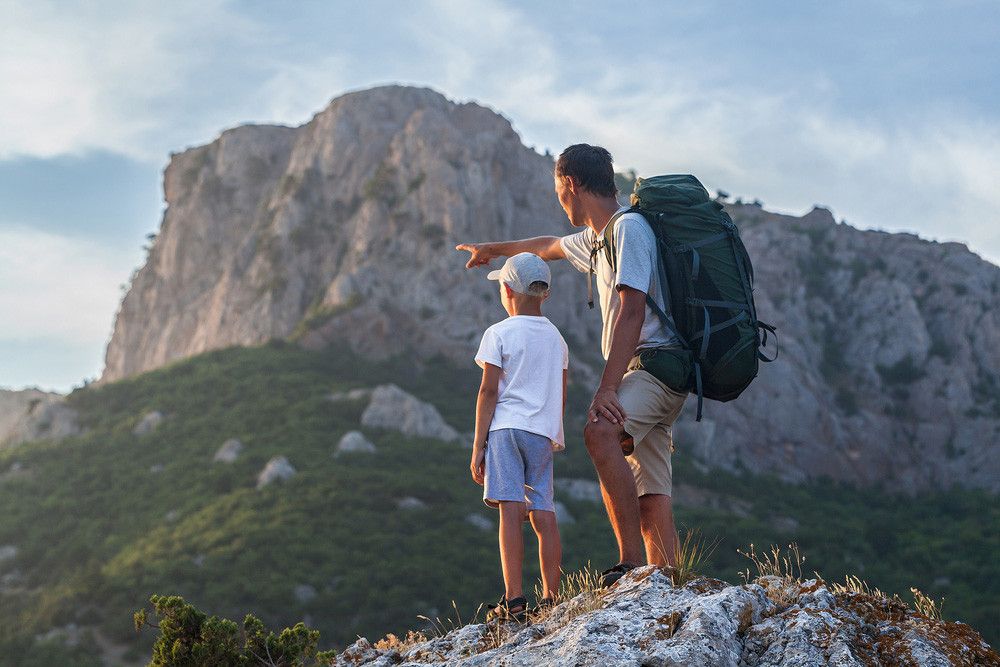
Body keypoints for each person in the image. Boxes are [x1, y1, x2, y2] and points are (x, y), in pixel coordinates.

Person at [457, 144, 687, 588]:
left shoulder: (629, 230)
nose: (558, 200)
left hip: (656, 366)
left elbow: (632, 310)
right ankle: (667, 583)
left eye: (558, 189)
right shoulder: (598, 239)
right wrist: (495, 249)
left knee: (600, 430)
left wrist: (607, 389)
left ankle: (629, 566)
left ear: (571, 184)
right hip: (651, 370)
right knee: (649, 486)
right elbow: (546, 246)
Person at [470, 252, 568, 622]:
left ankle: (513, 599)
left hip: (506, 429)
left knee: (510, 509)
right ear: (544, 294)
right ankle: (552, 597)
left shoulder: (498, 333)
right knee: (544, 508)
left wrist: (479, 445)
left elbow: (488, 392)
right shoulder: (557, 339)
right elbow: (560, 391)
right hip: (541, 434)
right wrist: (553, 435)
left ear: (507, 290)